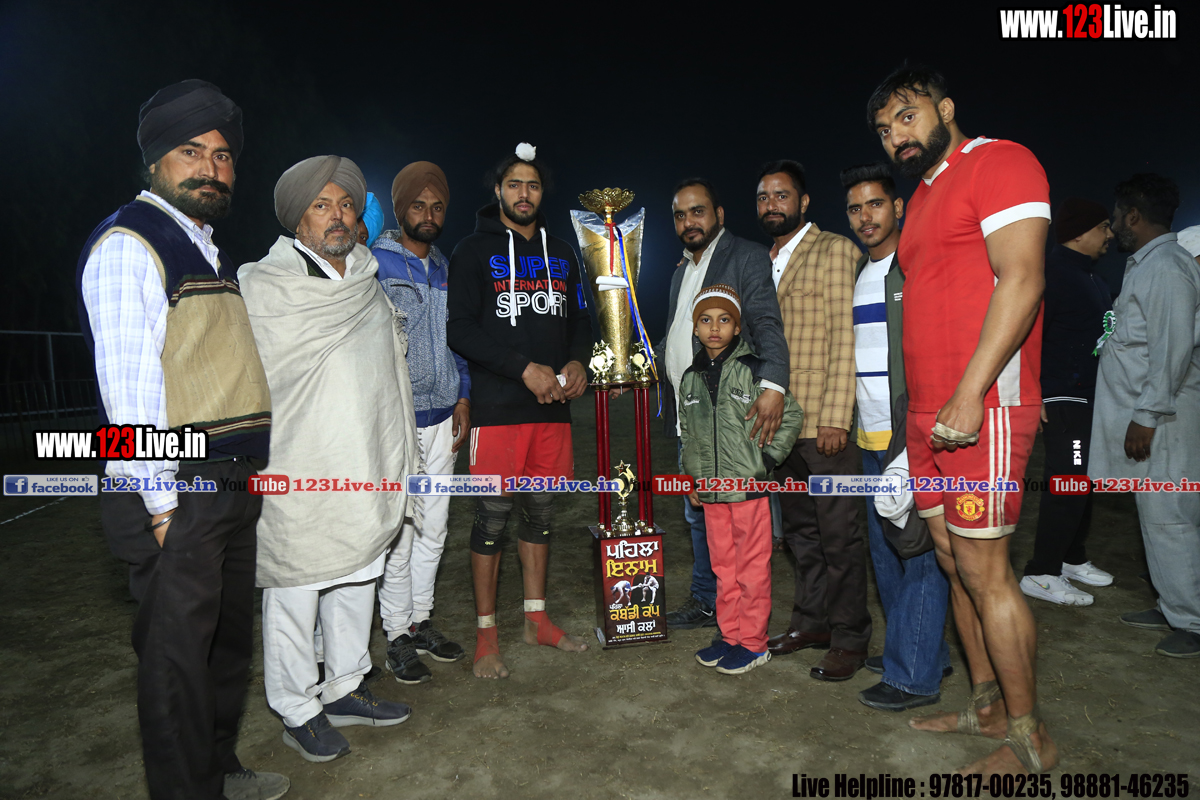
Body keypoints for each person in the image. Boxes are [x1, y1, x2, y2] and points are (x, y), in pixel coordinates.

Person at [76, 79, 288, 800]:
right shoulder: (130, 244)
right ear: (155, 160)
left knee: (224, 648)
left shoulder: (210, 251)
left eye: (223, 156)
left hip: (225, 486)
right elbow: (128, 393)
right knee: (175, 662)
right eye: (191, 152)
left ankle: (217, 773)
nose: (211, 168)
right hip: (175, 492)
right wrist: (162, 508)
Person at [869, 64, 1057, 775]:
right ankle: (986, 706)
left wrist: (971, 392)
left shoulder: (1000, 162)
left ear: (945, 108)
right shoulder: (921, 197)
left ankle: (1030, 738)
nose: (897, 135)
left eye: (907, 115)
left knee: (986, 570)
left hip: (983, 406)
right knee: (953, 564)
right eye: (885, 129)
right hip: (928, 415)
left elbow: (1024, 277)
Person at [239, 156, 419, 762]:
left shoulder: (366, 281)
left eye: (346, 204)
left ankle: (345, 687)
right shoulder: (265, 288)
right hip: (298, 466)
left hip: (365, 459)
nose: (337, 215)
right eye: (321, 205)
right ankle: (297, 708)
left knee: (359, 573)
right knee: (296, 585)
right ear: (298, 218)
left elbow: (387, 374)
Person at [446, 143, 592, 679]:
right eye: (514, 184)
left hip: (552, 412)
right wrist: (522, 368)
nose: (523, 193)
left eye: (532, 185)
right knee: (492, 519)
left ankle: (537, 621)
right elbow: (459, 329)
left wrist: (577, 361)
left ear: (541, 192)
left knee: (542, 515)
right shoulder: (471, 250)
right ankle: (487, 636)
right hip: (498, 410)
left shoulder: (564, 252)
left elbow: (581, 319)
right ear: (498, 191)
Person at [840, 163, 953, 710]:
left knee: (920, 554)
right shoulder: (860, 274)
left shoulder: (917, 268)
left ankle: (913, 676)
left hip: (912, 435)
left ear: (898, 206)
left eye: (876, 204)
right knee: (887, 555)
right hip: (870, 436)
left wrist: (922, 436)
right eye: (855, 208)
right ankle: (922, 649)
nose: (865, 216)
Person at [659, 178, 790, 631]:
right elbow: (678, 333)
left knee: (737, 523)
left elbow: (766, 323)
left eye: (697, 211)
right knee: (699, 513)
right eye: (680, 215)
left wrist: (774, 386)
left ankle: (734, 617)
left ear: (718, 214)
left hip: (730, 416)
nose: (688, 222)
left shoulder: (746, 256)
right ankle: (709, 601)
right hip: (692, 413)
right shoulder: (681, 270)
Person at [758, 159, 871, 682]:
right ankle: (811, 623)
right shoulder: (762, 261)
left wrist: (836, 418)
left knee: (840, 536)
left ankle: (850, 638)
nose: (771, 205)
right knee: (801, 534)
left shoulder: (835, 250)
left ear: (803, 202)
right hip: (778, 428)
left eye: (781, 196)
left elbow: (845, 337)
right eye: (763, 197)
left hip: (823, 425)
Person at [1093, 174, 1200, 659]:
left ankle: (1192, 621)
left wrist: (1147, 415)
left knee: (1171, 518)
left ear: (1133, 215)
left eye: (1118, 216)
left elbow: (1172, 349)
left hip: (1164, 418)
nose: (1114, 225)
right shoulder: (1150, 264)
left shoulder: (1168, 268)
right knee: (1157, 516)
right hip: (1151, 414)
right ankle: (1173, 603)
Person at [373, 161, 471, 684]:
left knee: (435, 527)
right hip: (400, 418)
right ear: (400, 210)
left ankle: (420, 620)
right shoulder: (374, 265)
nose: (429, 215)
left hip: (444, 417)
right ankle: (396, 635)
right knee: (403, 531)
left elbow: (459, 341)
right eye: (418, 206)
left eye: (437, 207)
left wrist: (464, 397)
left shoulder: (446, 268)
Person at [681, 284, 803, 675]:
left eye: (724, 320)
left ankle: (753, 643)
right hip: (712, 495)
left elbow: (792, 415)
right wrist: (692, 478)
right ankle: (730, 635)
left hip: (748, 492)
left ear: (737, 327)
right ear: (695, 327)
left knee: (751, 569)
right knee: (723, 568)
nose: (714, 328)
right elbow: (688, 432)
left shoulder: (754, 370)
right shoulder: (690, 377)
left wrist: (764, 461)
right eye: (706, 320)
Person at [1021, 198, 1115, 606]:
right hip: (1063, 395)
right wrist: (1035, 388)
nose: (1110, 234)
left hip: (1090, 397)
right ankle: (1041, 572)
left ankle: (1070, 558)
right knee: (1068, 481)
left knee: (1083, 481)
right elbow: (1028, 331)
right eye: (1103, 227)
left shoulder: (1092, 277)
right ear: (1079, 232)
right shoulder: (1052, 274)